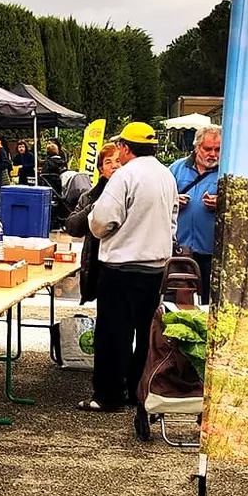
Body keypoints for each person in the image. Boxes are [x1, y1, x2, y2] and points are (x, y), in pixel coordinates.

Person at [79, 123, 178, 413]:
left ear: (124, 148)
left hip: (121, 267)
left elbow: (102, 220)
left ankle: (108, 396)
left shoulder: (124, 176)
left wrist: (105, 232)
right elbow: (173, 220)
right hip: (155, 267)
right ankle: (139, 390)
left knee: (114, 334)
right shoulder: (166, 175)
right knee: (145, 333)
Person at [64, 143, 127, 303]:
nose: (114, 166)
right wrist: (95, 208)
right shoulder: (89, 196)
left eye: (118, 161)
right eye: (108, 162)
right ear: (101, 169)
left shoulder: (133, 193)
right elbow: (72, 227)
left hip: (125, 267)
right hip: (98, 266)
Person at [170, 126, 222, 302]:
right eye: (208, 149)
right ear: (196, 147)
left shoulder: (226, 172)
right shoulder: (176, 169)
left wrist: (221, 204)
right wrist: (174, 201)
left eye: (218, 149)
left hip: (212, 252)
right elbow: (159, 200)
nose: (213, 154)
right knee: (178, 303)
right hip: (179, 249)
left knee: (208, 303)